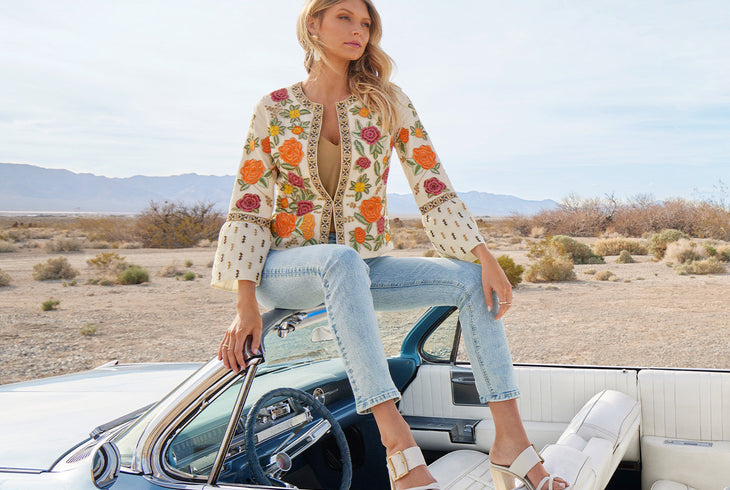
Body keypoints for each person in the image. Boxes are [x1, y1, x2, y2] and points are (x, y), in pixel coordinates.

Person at [211, 1, 567, 489]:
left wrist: (484, 257)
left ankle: (511, 441)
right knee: (339, 260)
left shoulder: (387, 101)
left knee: (467, 282)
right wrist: (244, 300)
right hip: (286, 268)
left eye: (366, 23)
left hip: (359, 266)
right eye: (344, 18)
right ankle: (397, 442)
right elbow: (249, 203)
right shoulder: (274, 108)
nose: (359, 30)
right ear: (312, 23)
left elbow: (430, 181)